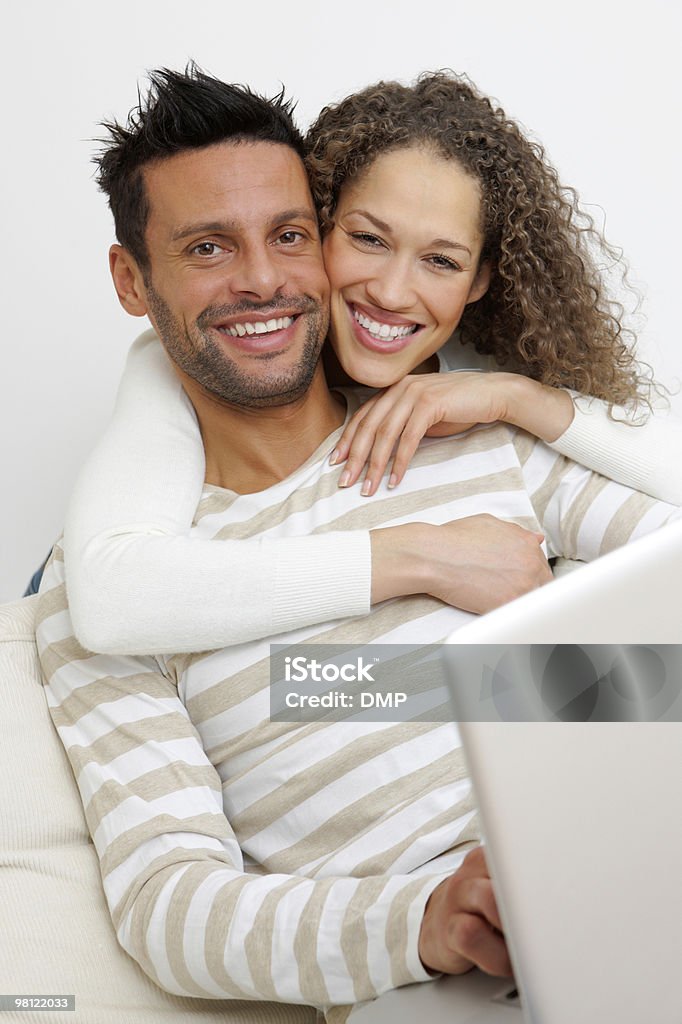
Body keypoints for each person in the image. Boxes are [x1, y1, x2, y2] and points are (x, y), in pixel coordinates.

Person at [36, 67, 681, 1018]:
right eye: (208, 247)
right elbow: (166, 904)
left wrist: (533, 687)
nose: (261, 278)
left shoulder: (469, 438)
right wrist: (422, 917)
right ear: (134, 281)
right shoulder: (105, 588)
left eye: (288, 236)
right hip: (445, 983)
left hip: (637, 865)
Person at [60, 69, 682, 655]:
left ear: (480, 281)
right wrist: (424, 561)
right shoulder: (170, 385)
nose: (389, 292)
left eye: (441, 260)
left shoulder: (493, 434)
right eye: (367, 239)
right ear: (324, 224)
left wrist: (519, 400)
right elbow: (111, 600)